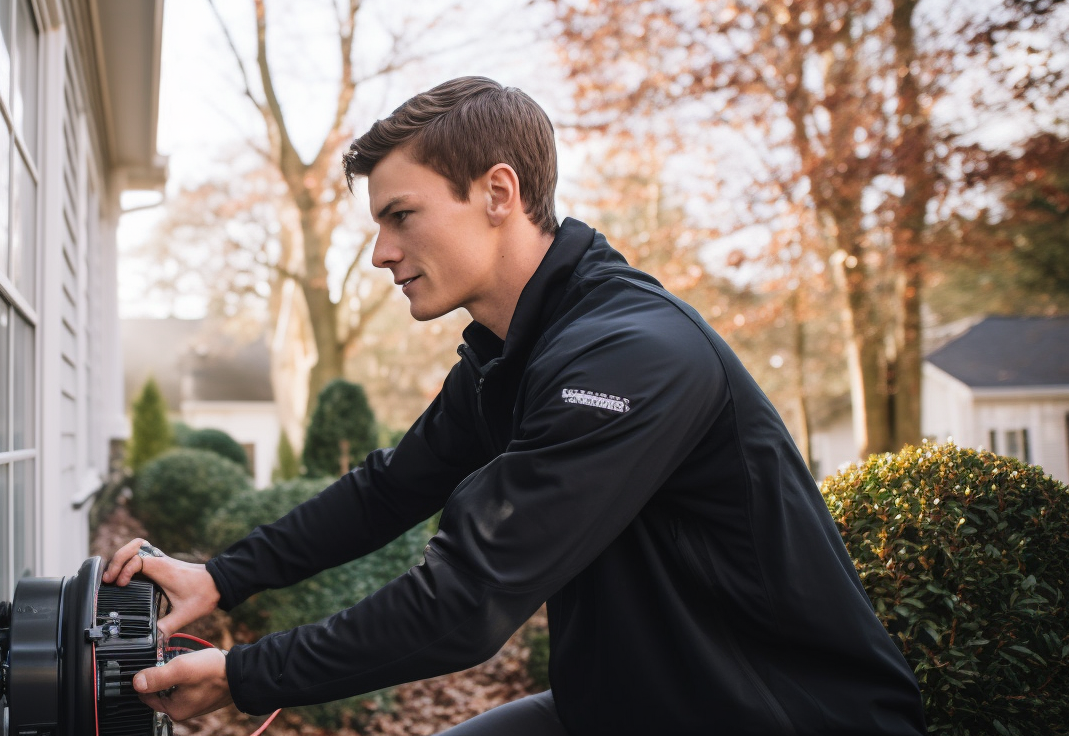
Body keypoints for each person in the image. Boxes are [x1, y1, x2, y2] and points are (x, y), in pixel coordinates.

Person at [103, 76, 926, 735]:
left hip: (771, 716)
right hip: (629, 707)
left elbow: (465, 603)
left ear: (499, 191)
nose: (382, 253)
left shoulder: (631, 354)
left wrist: (245, 676)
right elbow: (391, 488)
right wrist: (222, 578)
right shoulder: (516, 351)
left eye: (401, 216)